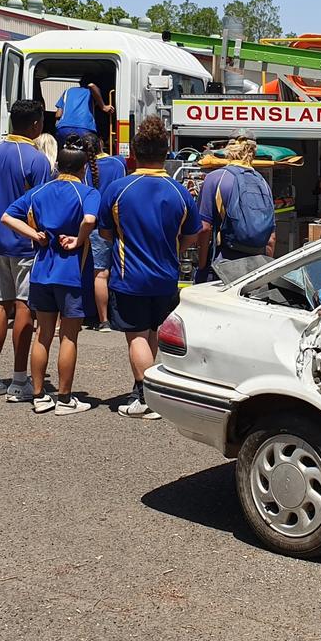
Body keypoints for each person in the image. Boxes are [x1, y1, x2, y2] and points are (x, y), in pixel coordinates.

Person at [98, 116, 202, 419]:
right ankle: (146, 388)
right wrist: (174, 249)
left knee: (137, 336)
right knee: (154, 332)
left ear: (135, 152)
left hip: (129, 277)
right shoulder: (179, 191)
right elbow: (192, 233)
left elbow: (105, 233)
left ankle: (145, 396)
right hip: (166, 276)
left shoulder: (119, 189)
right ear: (167, 151)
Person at [0, 139, 100, 415]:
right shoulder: (87, 192)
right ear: (83, 168)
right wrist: (79, 240)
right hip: (71, 273)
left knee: (42, 334)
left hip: (41, 269)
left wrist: (36, 235)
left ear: (57, 165)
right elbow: (90, 220)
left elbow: (7, 217)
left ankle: (39, 395)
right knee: (69, 336)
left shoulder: (40, 191)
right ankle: (65, 399)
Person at [0, 99, 53, 400]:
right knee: (24, 308)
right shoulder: (37, 160)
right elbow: (42, 204)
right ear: (36, 125)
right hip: (26, 244)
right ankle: (20, 378)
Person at [195, 129, 276, 283]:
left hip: (221, 267)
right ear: (253, 152)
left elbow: (205, 228)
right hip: (255, 270)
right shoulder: (263, 184)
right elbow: (271, 238)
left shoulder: (215, 178)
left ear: (228, 149)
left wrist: (202, 265)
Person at [81, 132, 126, 332]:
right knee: (116, 269)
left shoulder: (84, 168)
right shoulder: (118, 164)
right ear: (101, 143)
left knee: (99, 273)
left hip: (94, 223)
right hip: (116, 223)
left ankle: (103, 319)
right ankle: (118, 315)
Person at [55, 74, 114, 141]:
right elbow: (91, 85)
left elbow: (58, 115)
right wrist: (103, 107)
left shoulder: (68, 91)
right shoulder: (93, 93)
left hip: (64, 128)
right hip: (85, 128)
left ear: (80, 83)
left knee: (64, 150)